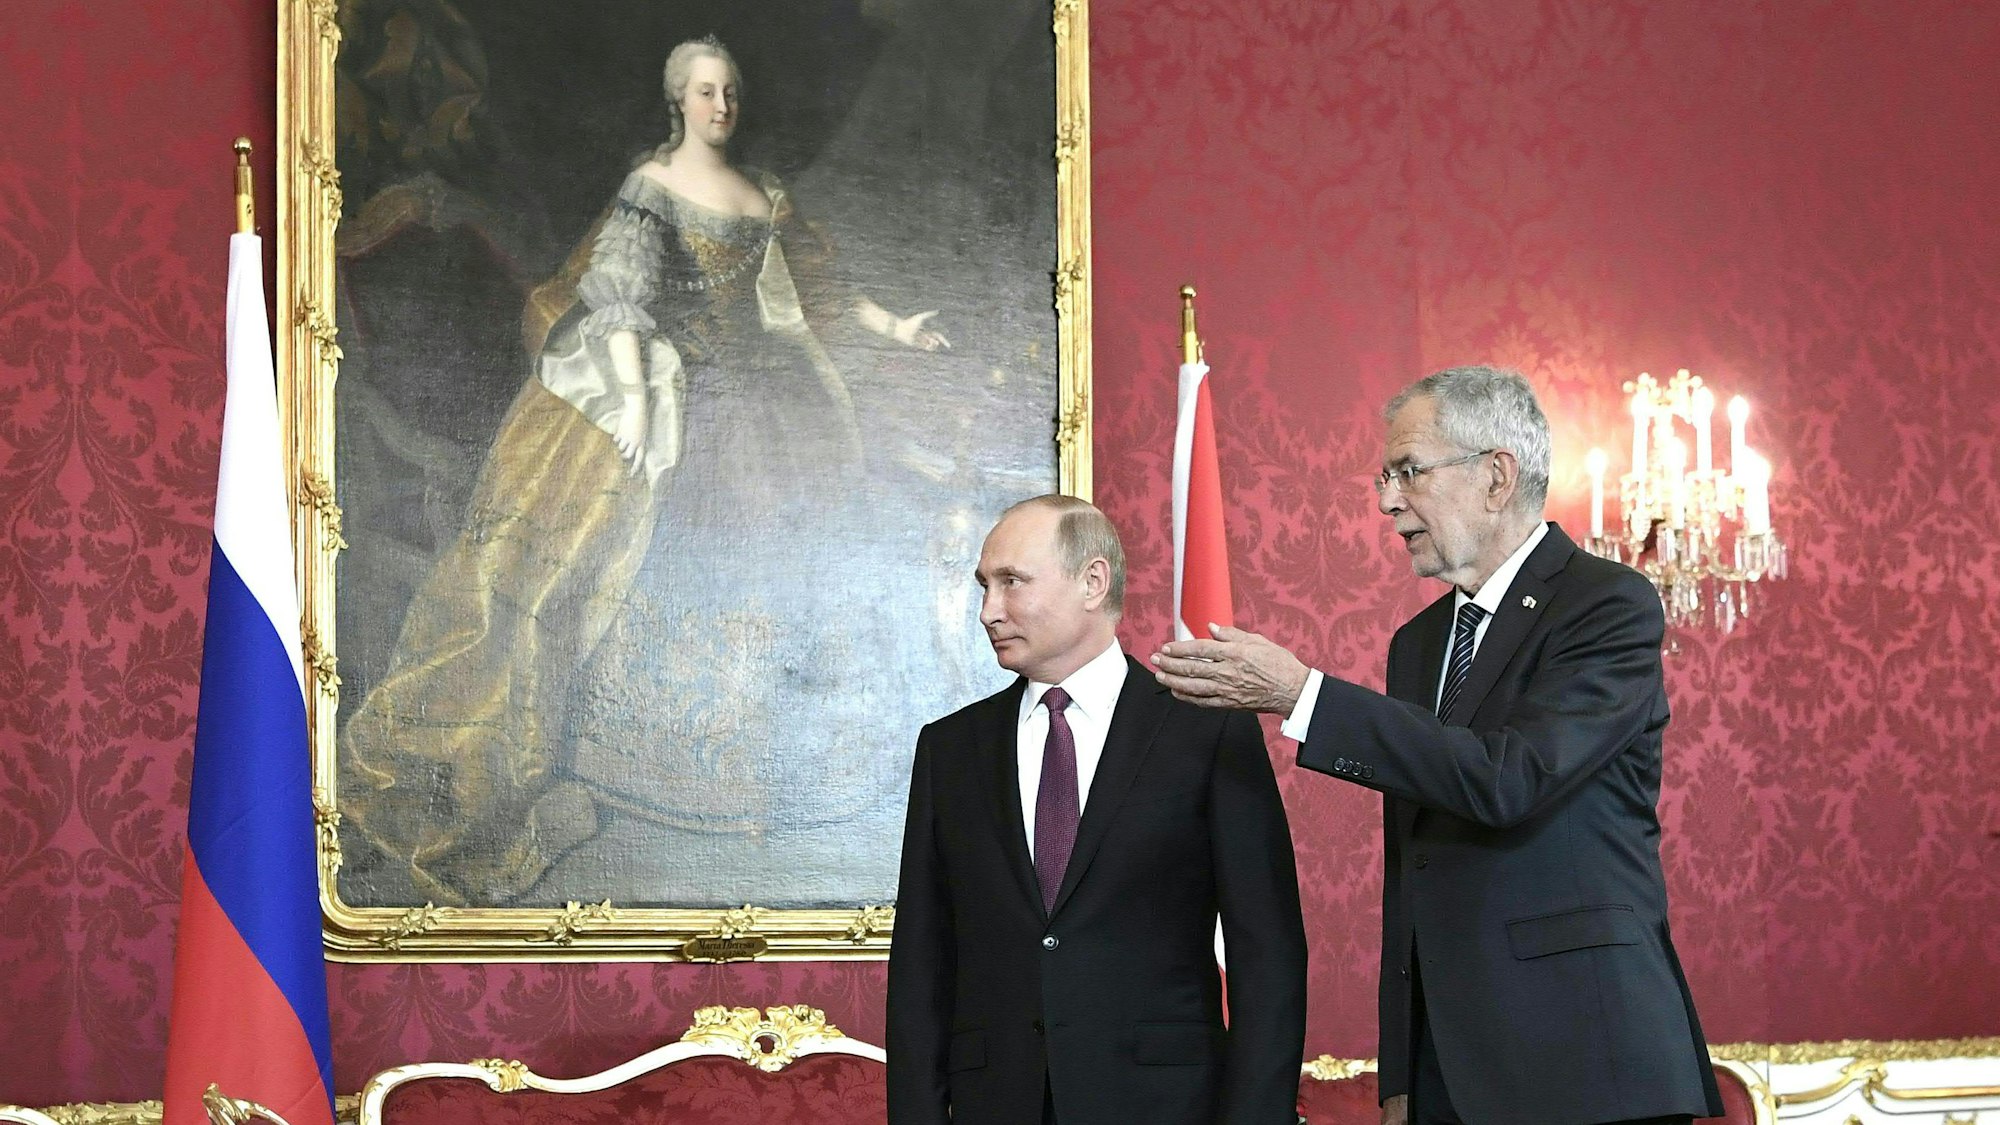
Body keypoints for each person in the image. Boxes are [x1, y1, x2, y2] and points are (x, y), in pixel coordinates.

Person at [341, 36, 949, 905]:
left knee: (796, 546)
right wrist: (630, 401)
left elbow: (818, 291)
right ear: (678, 101)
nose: (721, 105)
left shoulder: (764, 192)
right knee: (620, 544)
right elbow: (615, 297)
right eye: (704, 91)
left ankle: (770, 756)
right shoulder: (652, 186)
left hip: (765, 401)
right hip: (670, 396)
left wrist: (896, 327)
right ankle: (644, 759)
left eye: (729, 90)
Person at [1151, 368, 1722, 1125]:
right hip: (1447, 1071)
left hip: (1586, 1059)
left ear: (1496, 476)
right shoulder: (1418, 643)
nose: (1387, 501)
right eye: (1384, 478)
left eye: (1409, 471)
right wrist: (1403, 1070)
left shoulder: (1606, 603)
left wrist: (1303, 695)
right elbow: (1414, 865)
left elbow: (1509, 779)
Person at [888, 495, 1308, 1125]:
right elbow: (921, 960)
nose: (988, 611)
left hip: (1164, 1106)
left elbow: (1267, 952)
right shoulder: (950, 748)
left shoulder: (1206, 729)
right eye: (984, 586)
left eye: (1011, 582)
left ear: (1092, 582)